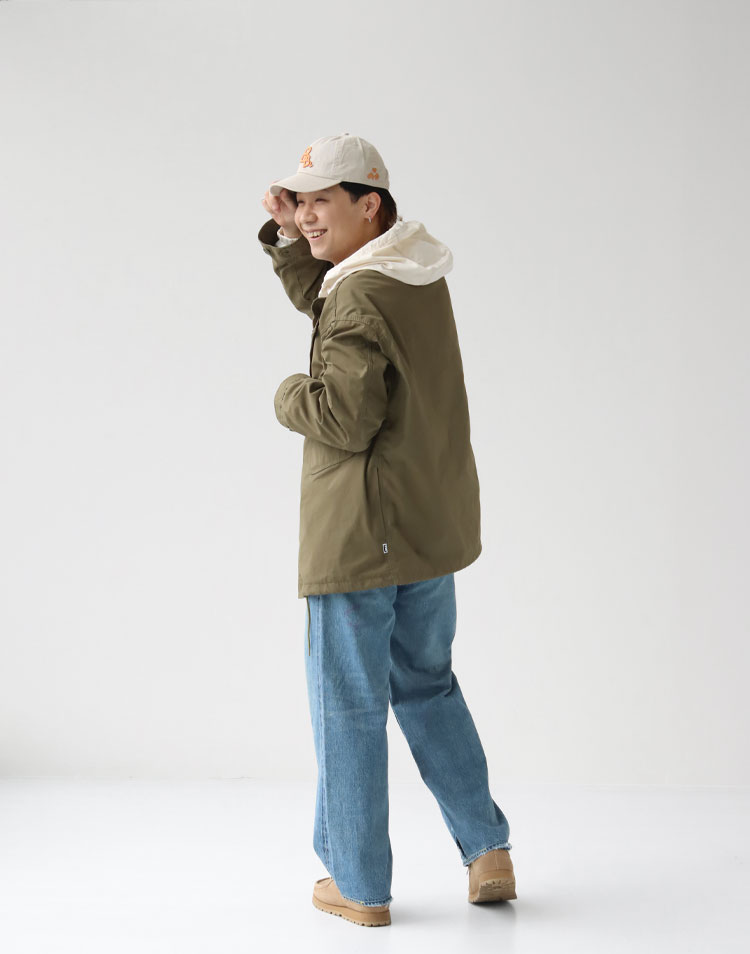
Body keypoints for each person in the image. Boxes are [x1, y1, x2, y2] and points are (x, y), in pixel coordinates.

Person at [259, 133, 515, 928]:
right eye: (300, 201)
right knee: (428, 686)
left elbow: (344, 414)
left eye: (322, 202)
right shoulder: (411, 272)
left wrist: (286, 394)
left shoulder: (359, 294)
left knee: (346, 705)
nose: (306, 215)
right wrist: (287, 238)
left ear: (369, 204)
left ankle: (360, 883)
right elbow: (336, 301)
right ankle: (488, 850)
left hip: (359, 534)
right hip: (424, 527)